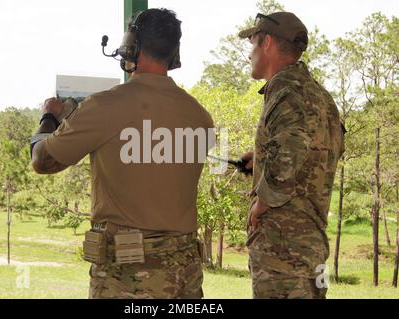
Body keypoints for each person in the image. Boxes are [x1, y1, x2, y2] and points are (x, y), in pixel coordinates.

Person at [31, 8, 214, 299]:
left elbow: (43, 161)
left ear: (132, 46)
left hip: (127, 277)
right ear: (173, 51)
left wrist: (50, 119)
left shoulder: (104, 107)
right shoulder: (200, 117)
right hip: (185, 277)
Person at [238, 12, 345, 299]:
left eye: (253, 44)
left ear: (268, 43)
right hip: (311, 246)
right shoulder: (320, 96)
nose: (250, 54)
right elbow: (316, 157)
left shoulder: (285, 90)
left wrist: (261, 203)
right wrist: (260, 161)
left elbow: (287, 160)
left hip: (282, 250)